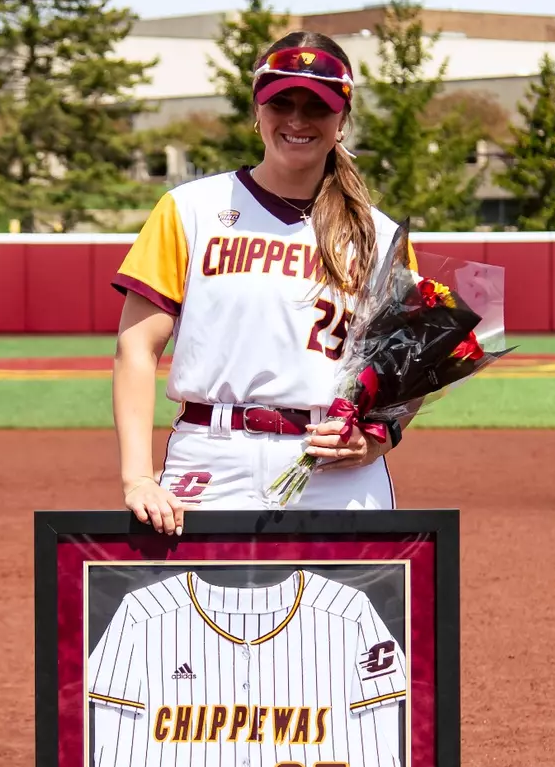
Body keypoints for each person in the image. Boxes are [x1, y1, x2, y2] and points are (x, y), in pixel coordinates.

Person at [110, 32, 417, 534]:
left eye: (316, 106)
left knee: (342, 611)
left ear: (342, 120)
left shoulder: (379, 236)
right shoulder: (190, 210)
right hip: (211, 452)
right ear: (258, 111)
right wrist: (138, 478)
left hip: (333, 466)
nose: (297, 120)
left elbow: (408, 364)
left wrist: (381, 436)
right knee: (193, 611)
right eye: (282, 102)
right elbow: (136, 350)